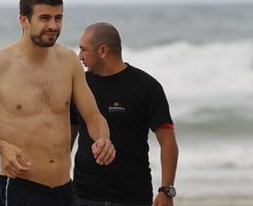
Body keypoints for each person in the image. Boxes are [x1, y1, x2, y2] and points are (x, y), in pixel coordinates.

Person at [0, 0, 116, 205]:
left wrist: (103, 138)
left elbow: (94, 118)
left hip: (65, 189)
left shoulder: (69, 62)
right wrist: (2, 147)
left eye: (58, 18)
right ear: (24, 20)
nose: (53, 26)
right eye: (44, 18)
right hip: (20, 188)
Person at [72, 22, 178, 206]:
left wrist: (166, 191)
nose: (79, 56)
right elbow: (69, 134)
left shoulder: (146, 87)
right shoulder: (81, 85)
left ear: (103, 50)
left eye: (83, 50)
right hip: (83, 195)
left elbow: (168, 141)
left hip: (132, 196)